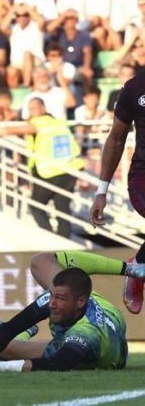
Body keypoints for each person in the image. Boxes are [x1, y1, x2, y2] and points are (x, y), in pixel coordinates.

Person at [0, 250, 134, 372]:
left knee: (6, 352)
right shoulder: (55, 299)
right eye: (52, 295)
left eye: (59, 298)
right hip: (106, 311)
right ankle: (131, 269)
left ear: (81, 301)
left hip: (110, 352)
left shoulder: (87, 333)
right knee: (41, 260)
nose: (51, 304)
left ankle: (21, 338)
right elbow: (12, 326)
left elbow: (59, 364)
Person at [89, 68, 145, 315]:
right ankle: (139, 268)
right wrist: (102, 190)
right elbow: (116, 139)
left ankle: (139, 263)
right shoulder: (135, 88)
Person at [0, 98, 84, 238]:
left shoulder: (38, 123)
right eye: (29, 109)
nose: (31, 112)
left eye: (33, 108)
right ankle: (64, 244)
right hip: (68, 170)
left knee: (36, 206)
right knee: (62, 209)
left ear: (42, 108)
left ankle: (52, 241)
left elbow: (9, 130)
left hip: (49, 172)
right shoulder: (59, 121)